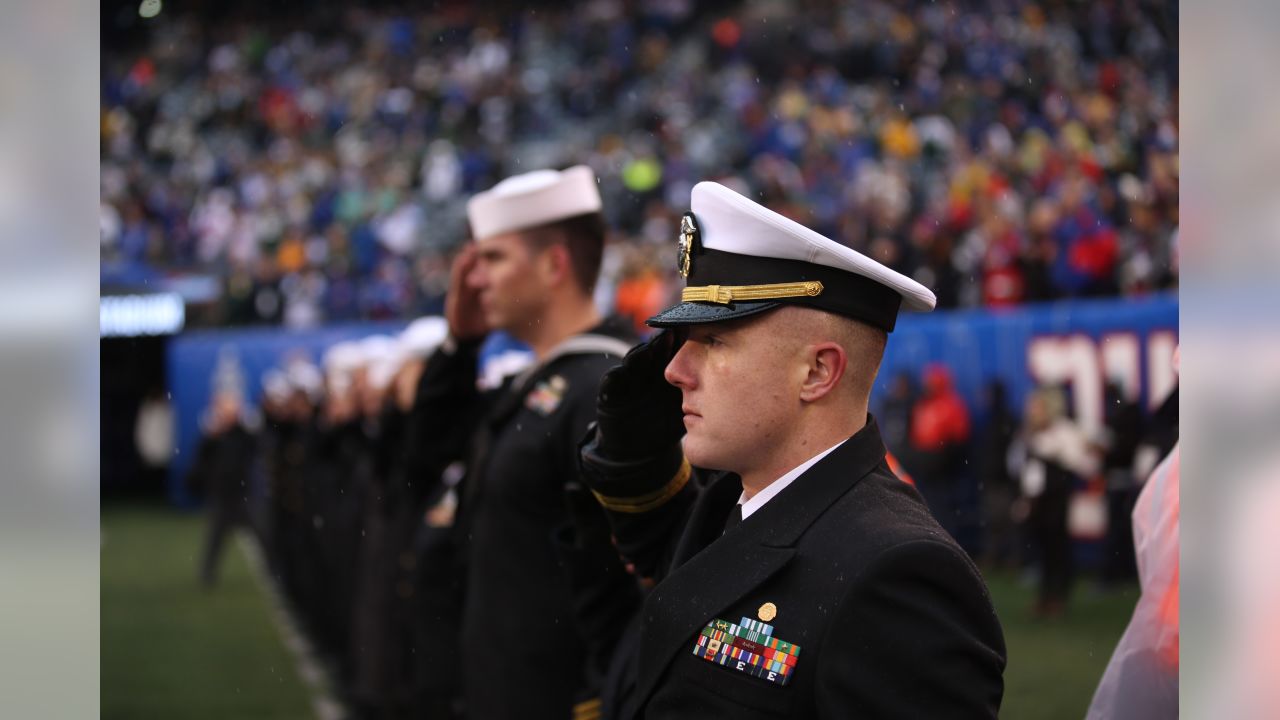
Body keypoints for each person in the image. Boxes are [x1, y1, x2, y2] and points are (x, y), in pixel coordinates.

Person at [579, 181, 1006, 717]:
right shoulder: (730, 508)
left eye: (714, 342)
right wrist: (630, 461)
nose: (674, 371)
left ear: (818, 371)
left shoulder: (898, 574)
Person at [410, 166, 642, 719]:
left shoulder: (609, 389)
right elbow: (423, 457)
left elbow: (635, 588)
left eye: (492, 259)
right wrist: (460, 345)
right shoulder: (537, 382)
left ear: (554, 264)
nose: (473, 279)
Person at [187, 390, 257, 589]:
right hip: (221, 494)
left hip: (242, 493)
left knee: (260, 534)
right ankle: (207, 574)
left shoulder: (243, 433)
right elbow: (201, 461)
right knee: (215, 537)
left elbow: (254, 444)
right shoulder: (212, 435)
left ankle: (275, 569)